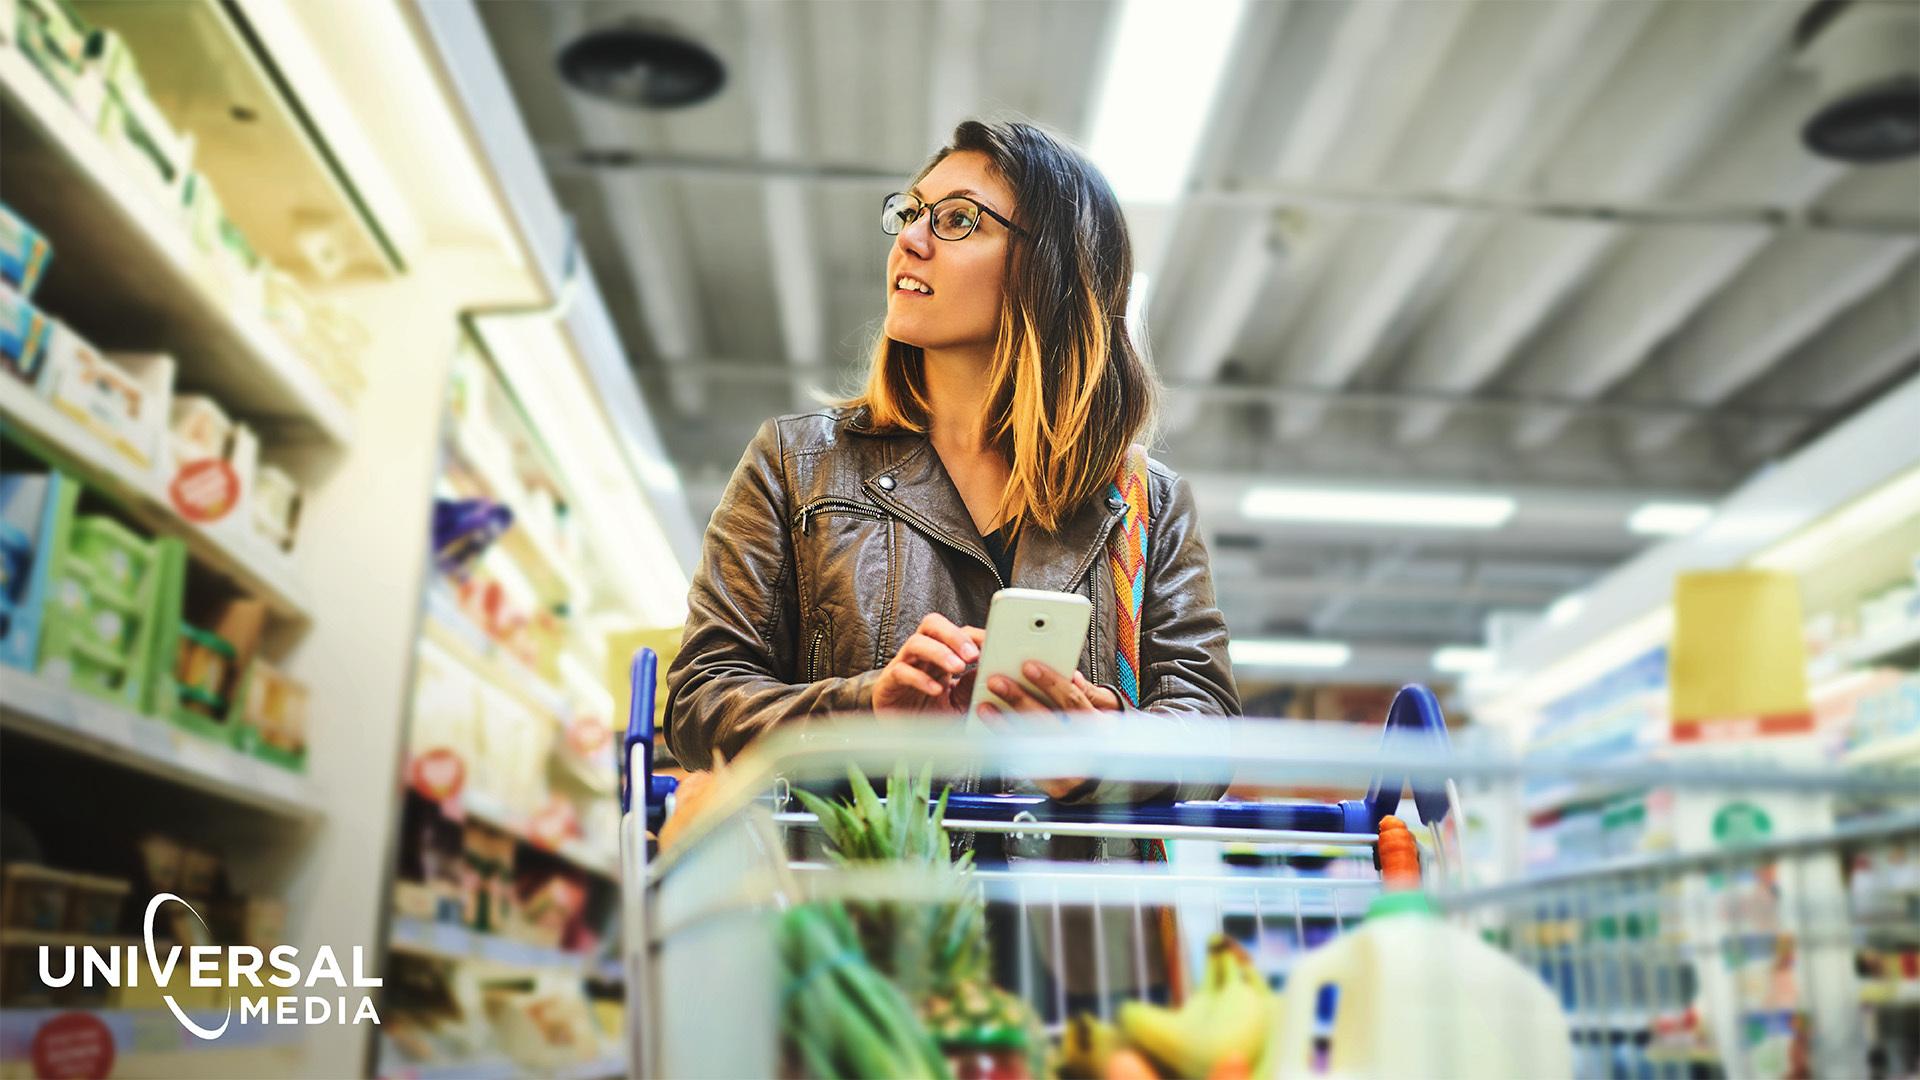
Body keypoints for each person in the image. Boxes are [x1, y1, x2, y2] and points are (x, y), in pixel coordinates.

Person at [663, 118, 1239, 806]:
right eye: (909, 213)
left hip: (1067, 909)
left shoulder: (1147, 501)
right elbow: (700, 705)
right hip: (864, 907)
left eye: (958, 220)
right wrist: (867, 708)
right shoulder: (796, 463)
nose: (910, 238)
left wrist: (1101, 742)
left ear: (1051, 268)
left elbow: (1209, 731)